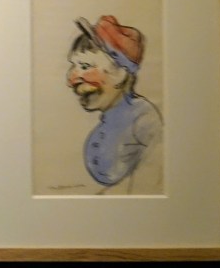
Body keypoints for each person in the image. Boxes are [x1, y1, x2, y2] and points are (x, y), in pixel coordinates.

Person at [66, 15, 163, 194]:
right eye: (73, 66)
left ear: (120, 74)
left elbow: (152, 181)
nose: (71, 79)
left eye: (85, 66)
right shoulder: (110, 120)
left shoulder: (145, 119)